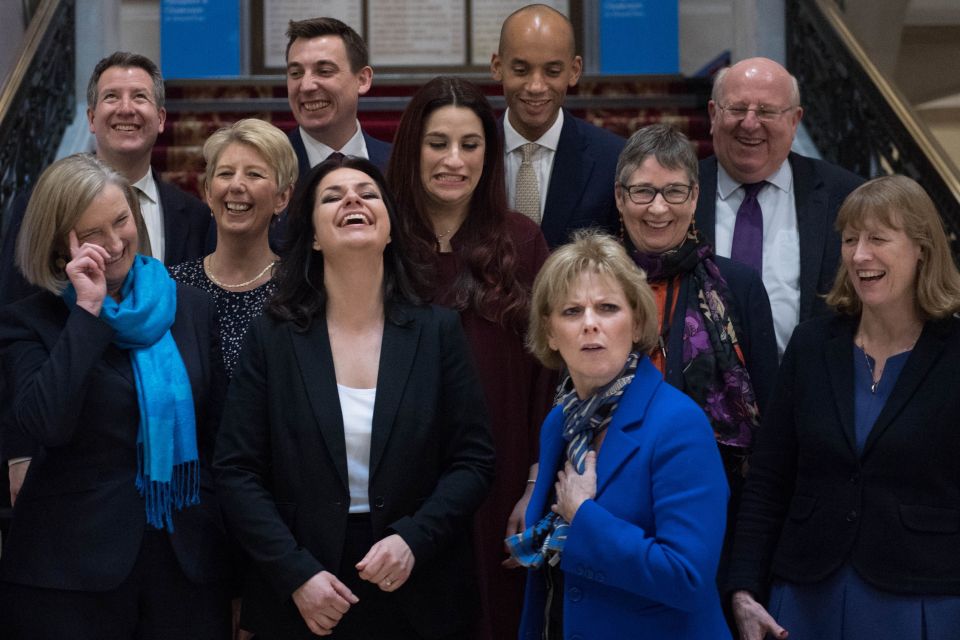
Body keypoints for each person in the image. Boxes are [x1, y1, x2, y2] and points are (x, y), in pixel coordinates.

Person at [214, 156, 495, 640]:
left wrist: (414, 538)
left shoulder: (438, 331)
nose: (352, 200)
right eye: (332, 196)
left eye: (367, 193)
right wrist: (294, 572)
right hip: (304, 589)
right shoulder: (273, 337)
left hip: (417, 581)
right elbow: (236, 471)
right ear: (316, 237)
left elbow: (473, 461)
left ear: (388, 229)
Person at [0, 154, 231, 638]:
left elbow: (222, 442)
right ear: (57, 243)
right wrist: (88, 310)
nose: (114, 243)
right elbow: (47, 424)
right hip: (71, 578)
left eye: (121, 220)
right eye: (91, 234)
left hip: (185, 567)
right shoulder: (30, 321)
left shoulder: (189, 306)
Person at [727, 175, 960, 640]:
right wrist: (743, 589)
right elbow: (770, 479)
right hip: (805, 598)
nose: (859, 255)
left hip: (922, 601)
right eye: (850, 239)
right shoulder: (813, 344)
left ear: (922, 249)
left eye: (878, 239)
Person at [0, 51, 213, 506]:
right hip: (71, 458)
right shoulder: (35, 211)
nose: (125, 108)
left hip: (165, 451)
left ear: (160, 119)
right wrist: (18, 453)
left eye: (139, 97)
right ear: (92, 118)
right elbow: (13, 332)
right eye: (111, 97)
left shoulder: (193, 214)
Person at [386, 76, 555, 640]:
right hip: (400, 488)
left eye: (470, 144)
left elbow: (547, 379)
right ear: (412, 148)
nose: (453, 160)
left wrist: (536, 486)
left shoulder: (523, 242)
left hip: (503, 482)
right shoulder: (381, 241)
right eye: (437, 143)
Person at [511, 231, 731, 639]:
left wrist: (585, 517)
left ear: (636, 321)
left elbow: (687, 577)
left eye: (608, 308)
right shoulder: (559, 423)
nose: (590, 323)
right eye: (572, 311)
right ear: (550, 332)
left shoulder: (678, 424)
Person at [615, 123, 778, 479]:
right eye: (643, 191)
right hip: (608, 487)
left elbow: (771, 423)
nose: (658, 209)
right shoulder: (592, 285)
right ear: (620, 197)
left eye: (674, 191)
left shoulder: (739, 286)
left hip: (718, 489)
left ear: (694, 197)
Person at [695, 57, 864, 354]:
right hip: (700, 393)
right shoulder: (677, 194)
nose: (749, 123)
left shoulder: (846, 197)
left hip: (809, 390)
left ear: (795, 120)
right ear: (713, 114)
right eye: (736, 108)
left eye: (766, 111)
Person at [170, 118, 297, 378]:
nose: (236, 185)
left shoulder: (299, 290)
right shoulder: (173, 286)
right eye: (226, 173)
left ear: (282, 197)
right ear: (207, 191)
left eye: (254, 174)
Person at [491, 4, 624, 248]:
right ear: (497, 67)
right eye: (521, 70)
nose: (535, 86)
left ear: (574, 71)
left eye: (552, 71)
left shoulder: (613, 159)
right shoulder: (473, 153)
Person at [285, 17, 392, 177]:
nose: (306, 86)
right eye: (296, 73)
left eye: (324, 71)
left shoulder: (399, 164)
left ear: (362, 80)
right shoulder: (267, 165)